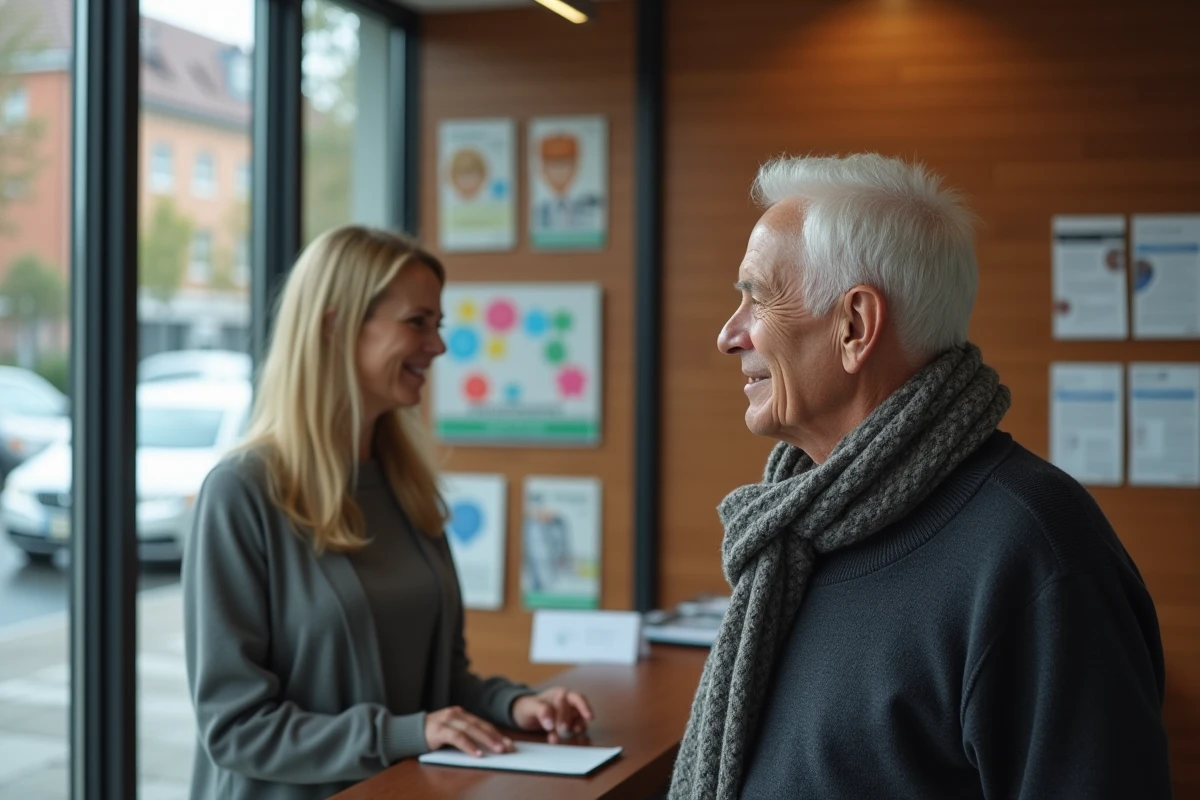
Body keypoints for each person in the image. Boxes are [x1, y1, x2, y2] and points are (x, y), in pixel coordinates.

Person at [670, 154, 1171, 799]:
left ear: (855, 326)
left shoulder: (1038, 551)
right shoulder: (798, 531)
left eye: (758, 298)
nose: (728, 336)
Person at [183, 225, 594, 800]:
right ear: (335, 325)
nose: (438, 345)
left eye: (439, 325)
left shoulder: (407, 487)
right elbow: (235, 730)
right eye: (417, 323)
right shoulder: (242, 493)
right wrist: (408, 732)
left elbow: (442, 682)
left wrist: (515, 704)